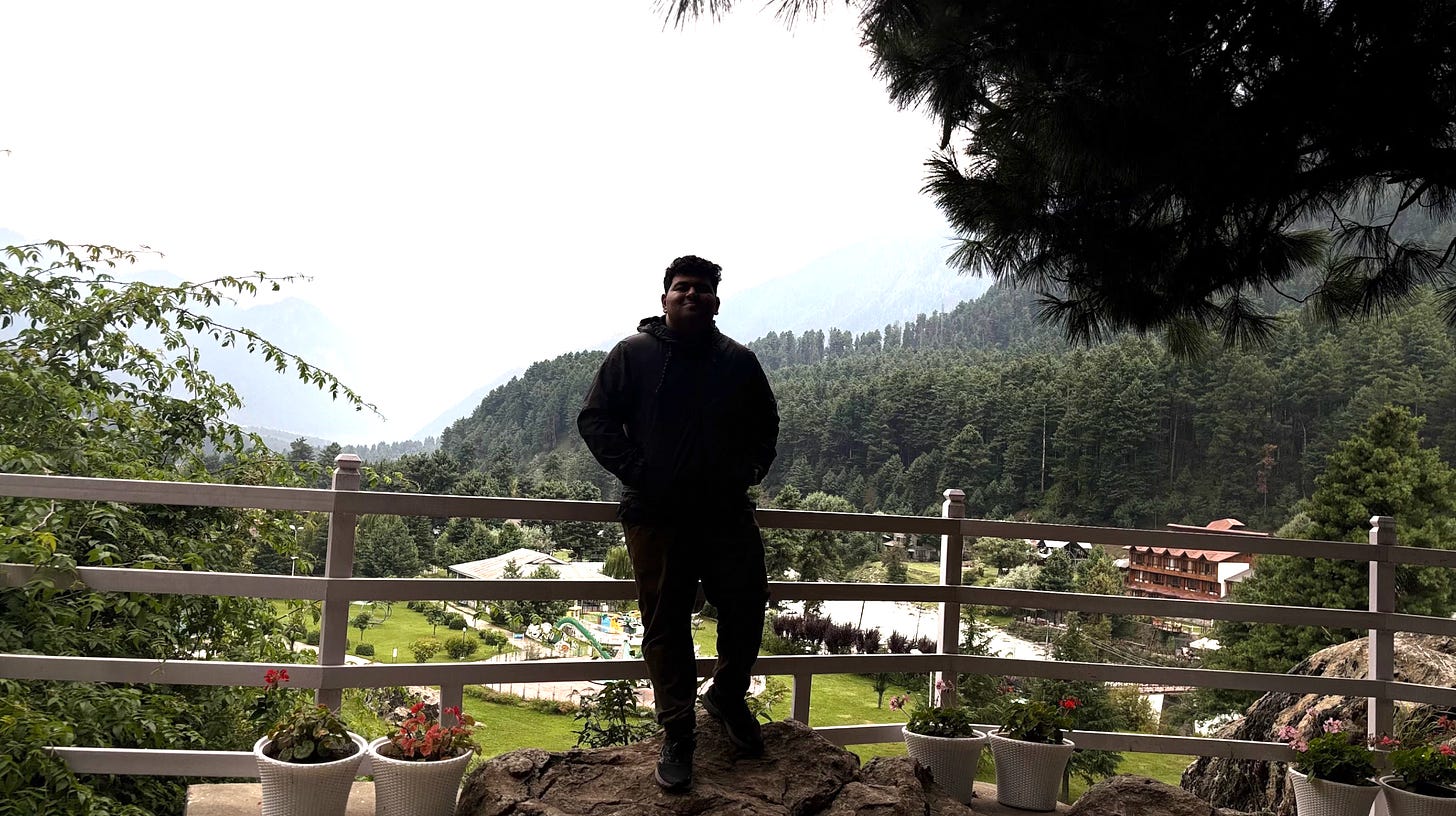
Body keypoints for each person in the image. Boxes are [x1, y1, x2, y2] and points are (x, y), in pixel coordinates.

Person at [577, 254, 779, 791]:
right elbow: (595, 419)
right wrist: (641, 472)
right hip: (656, 513)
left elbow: (766, 425)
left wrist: (749, 471)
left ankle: (727, 695)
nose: (692, 295)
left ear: (716, 301)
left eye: (702, 288)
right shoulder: (633, 354)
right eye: (682, 287)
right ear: (664, 297)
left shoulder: (739, 361)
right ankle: (678, 732)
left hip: (726, 510)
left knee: (746, 604)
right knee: (666, 623)